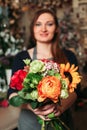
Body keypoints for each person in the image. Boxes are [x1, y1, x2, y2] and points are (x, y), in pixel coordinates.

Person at [7, 9, 81, 130]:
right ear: (33, 29)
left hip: (62, 122)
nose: (43, 29)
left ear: (56, 28)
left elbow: (76, 91)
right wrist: (34, 107)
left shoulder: (68, 56)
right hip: (30, 124)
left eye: (49, 24)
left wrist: (60, 107)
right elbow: (12, 94)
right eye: (38, 24)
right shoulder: (21, 58)